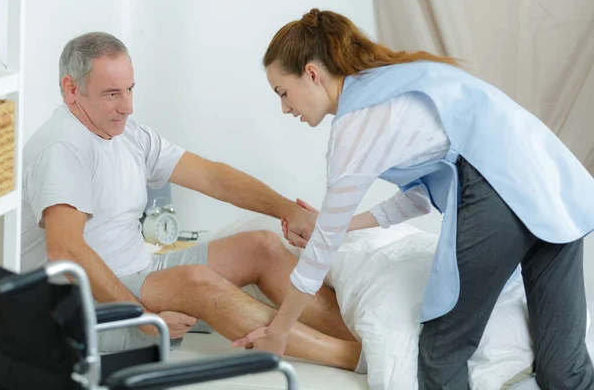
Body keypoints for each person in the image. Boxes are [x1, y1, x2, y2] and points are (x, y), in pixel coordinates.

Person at [233, 8, 594, 389]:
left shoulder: (358, 122)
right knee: (564, 368)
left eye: (283, 92)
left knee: (441, 355)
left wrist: (280, 331)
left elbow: (319, 254)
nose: (285, 107)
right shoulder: (395, 81)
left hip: (502, 197)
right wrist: (337, 223)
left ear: (311, 73)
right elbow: (421, 198)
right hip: (555, 191)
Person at [20, 31, 365, 371]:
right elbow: (65, 250)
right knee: (198, 282)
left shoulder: (128, 134)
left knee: (262, 245)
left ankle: (369, 339)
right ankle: (351, 357)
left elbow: (213, 177)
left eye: (129, 90)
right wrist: (143, 319)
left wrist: (287, 210)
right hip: (76, 304)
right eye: (112, 94)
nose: (127, 106)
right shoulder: (62, 148)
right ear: (71, 89)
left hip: (140, 272)